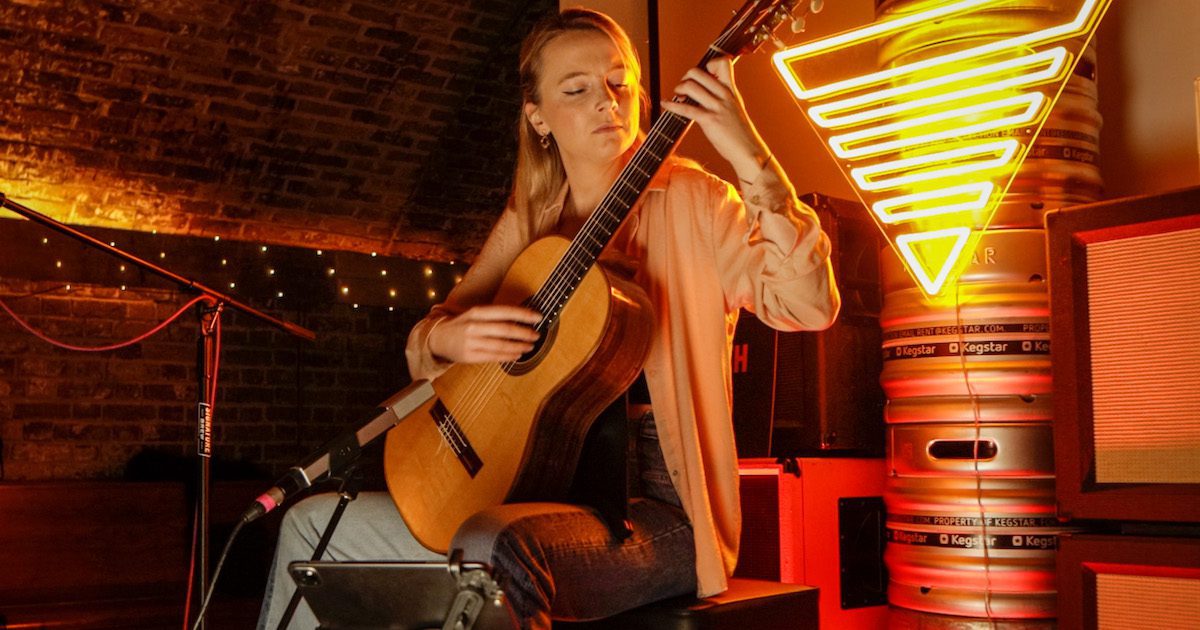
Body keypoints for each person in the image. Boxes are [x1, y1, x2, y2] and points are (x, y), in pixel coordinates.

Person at [258, 8, 838, 630]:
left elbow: (808, 307)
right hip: (527, 490)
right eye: (577, 89)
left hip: (658, 516)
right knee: (311, 524)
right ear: (537, 117)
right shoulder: (532, 216)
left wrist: (750, 155)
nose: (607, 102)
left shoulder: (696, 200)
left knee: (495, 545)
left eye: (620, 83)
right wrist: (445, 335)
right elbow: (432, 335)